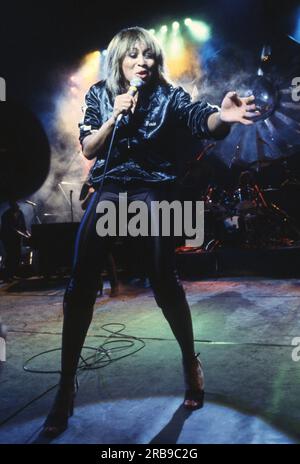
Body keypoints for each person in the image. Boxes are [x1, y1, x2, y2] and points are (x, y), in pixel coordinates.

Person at [43, 26, 258, 437]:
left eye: (150, 56)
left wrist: (223, 118)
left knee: (163, 276)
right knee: (81, 281)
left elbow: (201, 119)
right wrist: (113, 116)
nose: (144, 62)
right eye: (135, 55)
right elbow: (89, 148)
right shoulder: (100, 94)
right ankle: (65, 385)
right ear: (120, 60)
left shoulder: (168, 95)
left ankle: (190, 363)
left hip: (152, 187)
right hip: (110, 184)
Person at [79, 179, 119, 297]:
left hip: (107, 226)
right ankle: (99, 286)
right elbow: (83, 206)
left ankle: (113, 286)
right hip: (97, 226)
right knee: (96, 257)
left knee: (106, 256)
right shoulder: (95, 194)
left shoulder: (107, 192)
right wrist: (90, 194)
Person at [0, 201, 29, 282]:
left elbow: (23, 226)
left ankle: (12, 274)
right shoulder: (6, 215)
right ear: (11, 206)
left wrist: (28, 234)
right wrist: (24, 235)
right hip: (7, 237)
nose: (18, 206)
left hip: (16, 237)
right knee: (10, 255)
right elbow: (11, 228)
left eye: (17, 205)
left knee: (17, 255)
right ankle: (6, 276)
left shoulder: (20, 213)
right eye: (15, 205)